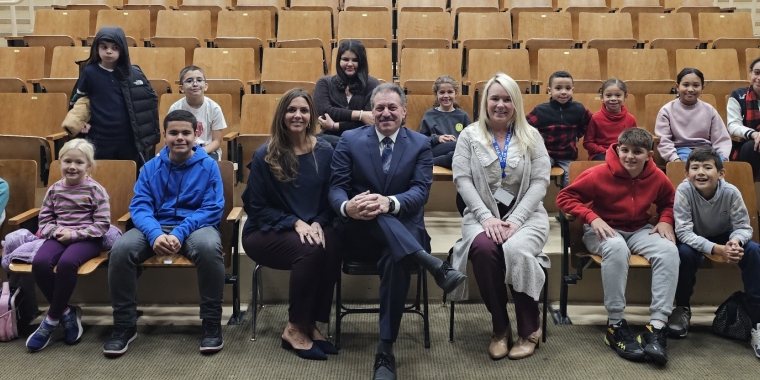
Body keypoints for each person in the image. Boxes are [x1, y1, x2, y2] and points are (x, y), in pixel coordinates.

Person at [329, 83, 466, 380]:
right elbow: (337, 187)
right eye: (379, 108)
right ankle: (433, 265)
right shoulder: (350, 140)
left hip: (403, 232)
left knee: (396, 256)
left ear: (404, 112)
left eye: (392, 108)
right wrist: (346, 207)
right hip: (358, 234)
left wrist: (388, 203)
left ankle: (385, 349)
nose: (386, 113)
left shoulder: (419, 144)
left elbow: (420, 192)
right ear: (372, 112)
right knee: (379, 222)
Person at [104, 110, 225, 357]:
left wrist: (180, 232)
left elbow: (213, 207)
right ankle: (125, 325)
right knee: (121, 249)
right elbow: (140, 206)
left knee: (209, 248)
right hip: (155, 227)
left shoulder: (209, 166)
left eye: (185, 133)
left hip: (195, 227)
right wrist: (155, 234)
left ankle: (211, 323)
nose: (179, 137)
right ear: (164, 135)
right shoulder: (150, 168)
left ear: (197, 134)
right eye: (173, 133)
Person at [556, 128, 679, 365]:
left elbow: (670, 202)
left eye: (637, 152)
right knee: (616, 248)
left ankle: (657, 327)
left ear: (649, 155)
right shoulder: (599, 173)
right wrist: (592, 217)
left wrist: (665, 220)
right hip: (602, 229)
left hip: (639, 230)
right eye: (624, 150)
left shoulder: (657, 177)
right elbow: (564, 198)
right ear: (617, 149)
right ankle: (615, 324)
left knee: (669, 250)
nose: (629, 156)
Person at [450, 73, 551, 360]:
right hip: (482, 216)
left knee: (516, 250)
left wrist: (516, 220)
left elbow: (540, 182)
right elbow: (462, 179)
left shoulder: (532, 137)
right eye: (495, 98)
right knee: (483, 249)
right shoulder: (469, 136)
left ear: (516, 103)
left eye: (507, 99)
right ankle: (500, 327)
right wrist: (485, 218)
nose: (500, 105)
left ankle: (530, 328)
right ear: (485, 102)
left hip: (526, 216)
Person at [241, 89, 340, 361]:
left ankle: (311, 323)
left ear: (311, 117)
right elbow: (256, 208)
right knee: (310, 250)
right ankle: (294, 327)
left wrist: (319, 222)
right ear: (282, 115)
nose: (298, 115)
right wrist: (294, 222)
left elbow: (330, 197)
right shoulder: (266, 154)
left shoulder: (325, 150)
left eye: (304, 110)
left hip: (311, 224)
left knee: (331, 242)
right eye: (291, 110)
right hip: (266, 231)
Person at [669, 146, 760, 358]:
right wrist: (717, 249)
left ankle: (757, 319)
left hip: (725, 236)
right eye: (695, 167)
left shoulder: (730, 192)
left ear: (720, 173)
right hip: (694, 237)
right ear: (687, 173)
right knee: (684, 253)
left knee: (754, 250)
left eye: (707, 167)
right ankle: (682, 309)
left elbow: (743, 227)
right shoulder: (684, 191)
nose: (701, 172)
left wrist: (735, 242)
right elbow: (683, 232)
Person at [25, 139, 110, 352]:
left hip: (88, 238)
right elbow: (44, 220)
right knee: (40, 262)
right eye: (67, 161)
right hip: (58, 236)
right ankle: (66, 312)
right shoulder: (54, 190)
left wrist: (74, 234)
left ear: (89, 165)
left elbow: (102, 224)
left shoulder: (96, 190)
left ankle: (51, 320)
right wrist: (56, 232)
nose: (72, 166)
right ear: (60, 162)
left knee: (67, 263)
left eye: (79, 162)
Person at [63, 26, 159, 169]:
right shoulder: (89, 72)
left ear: (123, 50)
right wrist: (81, 122)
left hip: (128, 139)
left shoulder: (133, 74)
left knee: (129, 177)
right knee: (101, 175)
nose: (109, 51)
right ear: (96, 48)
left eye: (115, 48)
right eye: (104, 47)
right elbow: (79, 99)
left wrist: (146, 137)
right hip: (99, 137)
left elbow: (145, 105)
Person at [526, 70, 592, 186]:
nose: (563, 92)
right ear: (549, 90)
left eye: (568, 88)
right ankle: (536, 202)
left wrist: (577, 135)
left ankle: (566, 203)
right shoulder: (540, 110)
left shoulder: (579, 109)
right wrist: (537, 140)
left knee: (571, 179)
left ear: (573, 90)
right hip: (546, 154)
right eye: (558, 88)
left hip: (568, 155)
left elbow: (588, 123)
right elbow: (525, 127)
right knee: (538, 175)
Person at [655, 67, 731, 162]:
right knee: (692, 167)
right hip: (680, 151)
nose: (690, 89)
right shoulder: (666, 110)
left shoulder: (709, 110)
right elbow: (664, 141)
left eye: (696, 85)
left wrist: (722, 158)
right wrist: (674, 159)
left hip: (706, 151)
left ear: (702, 88)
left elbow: (721, 139)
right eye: (685, 85)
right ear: (677, 87)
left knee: (715, 167)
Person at [314, 39, 381, 146]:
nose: (350, 64)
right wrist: (360, 115)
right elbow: (326, 112)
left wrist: (335, 126)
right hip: (329, 141)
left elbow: (370, 122)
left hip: (362, 140)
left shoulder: (373, 84)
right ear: (339, 60)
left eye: (355, 60)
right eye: (345, 59)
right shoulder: (324, 83)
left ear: (362, 62)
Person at [167, 66, 227, 161]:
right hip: (181, 149)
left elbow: (216, 141)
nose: (195, 84)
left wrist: (198, 153)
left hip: (207, 151)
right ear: (181, 88)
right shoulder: (175, 108)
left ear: (206, 86)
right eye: (189, 81)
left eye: (199, 80)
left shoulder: (214, 108)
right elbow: (170, 136)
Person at [419, 75, 472, 169]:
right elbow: (421, 140)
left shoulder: (463, 116)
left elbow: (470, 140)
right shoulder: (429, 115)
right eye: (442, 92)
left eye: (450, 92)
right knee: (455, 147)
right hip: (436, 150)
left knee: (455, 153)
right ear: (436, 94)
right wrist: (438, 138)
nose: (446, 96)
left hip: (457, 153)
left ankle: (433, 161)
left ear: (456, 93)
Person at [583, 78, 638, 161]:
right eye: (608, 95)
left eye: (618, 95)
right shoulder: (595, 118)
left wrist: (624, 152)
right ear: (602, 97)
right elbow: (587, 143)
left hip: (623, 154)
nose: (613, 99)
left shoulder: (631, 119)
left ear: (625, 97)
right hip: (601, 154)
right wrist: (606, 151)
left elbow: (635, 141)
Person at [727, 57, 760, 175]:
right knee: (752, 148)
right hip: (747, 142)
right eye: (756, 73)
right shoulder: (738, 94)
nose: (759, 78)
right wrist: (754, 134)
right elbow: (733, 125)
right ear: (750, 73)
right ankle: (748, 190)